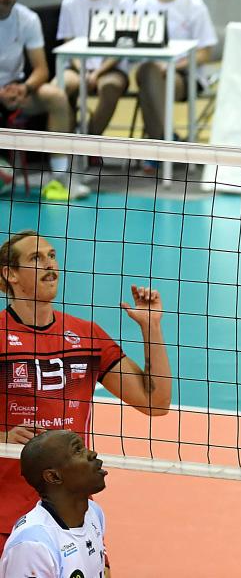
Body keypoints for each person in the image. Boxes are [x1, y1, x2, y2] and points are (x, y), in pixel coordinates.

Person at [0, 230, 172, 554]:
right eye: (36, 259)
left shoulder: (86, 336)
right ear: (9, 274)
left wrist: (151, 327)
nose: (50, 265)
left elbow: (156, 402)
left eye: (52, 256)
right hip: (7, 516)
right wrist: (3, 440)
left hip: (74, 517)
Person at [0, 0, 81, 201]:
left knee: (56, 97)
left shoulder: (27, 19)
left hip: (17, 90)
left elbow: (41, 69)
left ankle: (59, 178)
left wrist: (24, 88)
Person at [56, 0, 133, 180]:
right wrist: (82, 71)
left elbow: (125, 46)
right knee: (58, 88)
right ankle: (64, 154)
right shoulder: (70, 2)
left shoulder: (124, 0)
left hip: (111, 68)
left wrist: (98, 72)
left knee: (109, 87)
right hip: (77, 66)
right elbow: (67, 45)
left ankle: (88, 142)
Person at [132, 0, 218, 154]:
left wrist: (171, 65)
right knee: (147, 74)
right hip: (152, 70)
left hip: (185, 74)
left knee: (149, 84)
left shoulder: (194, 5)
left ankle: (158, 145)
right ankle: (166, 138)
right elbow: (132, 45)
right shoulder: (142, 5)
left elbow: (204, 53)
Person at [0, 430, 108, 577]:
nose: (92, 453)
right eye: (78, 450)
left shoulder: (94, 513)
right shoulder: (33, 545)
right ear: (53, 476)